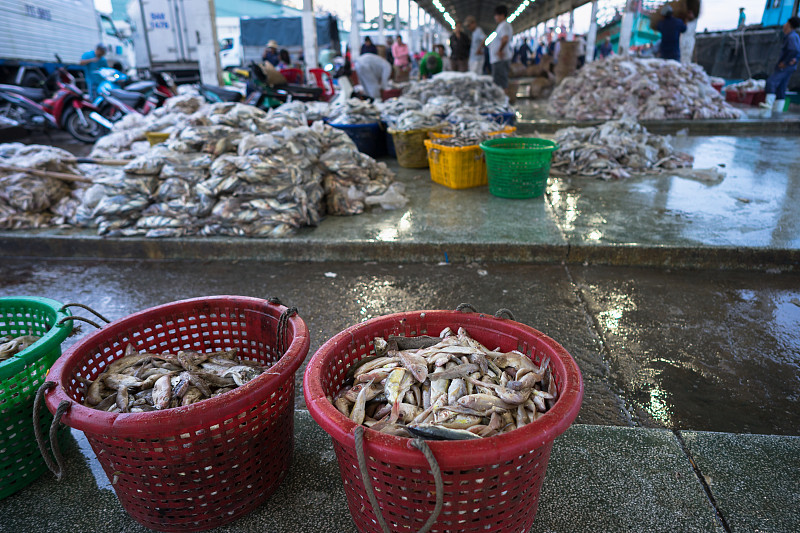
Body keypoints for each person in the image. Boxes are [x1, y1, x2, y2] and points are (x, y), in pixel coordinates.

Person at [761, 16, 800, 116]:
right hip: (791, 67)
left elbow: (794, 50)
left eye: (786, 23)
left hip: (785, 67)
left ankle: (768, 104)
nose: (784, 25)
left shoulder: (791, 37)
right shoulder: (795, 36)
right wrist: (794, 60)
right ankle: (777, 109)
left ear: (789, 25)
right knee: (781, 87)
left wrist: (786, 62)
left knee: (771, 82)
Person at [489, 5, 513, 89]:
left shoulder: (504, 25)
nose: (495, 17)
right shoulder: (502, 25)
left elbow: (505, 39)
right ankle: (502, 99)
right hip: (498, 59)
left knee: (501, 82)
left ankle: (503, 100)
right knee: (499, 81)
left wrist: (499, 51)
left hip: (500, 59)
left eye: (497, 15)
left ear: (502, 15)